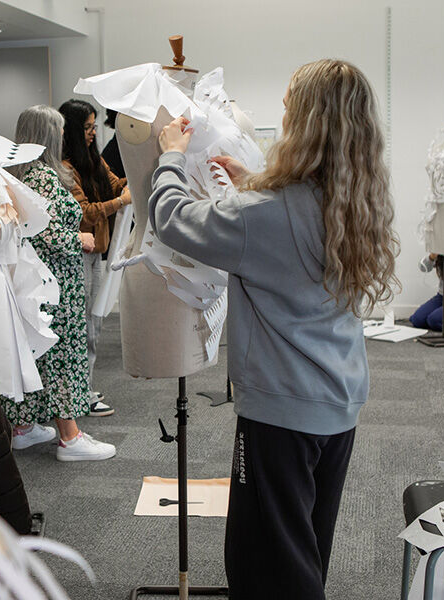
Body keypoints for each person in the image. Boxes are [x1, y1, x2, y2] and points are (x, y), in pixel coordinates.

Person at [149, 59, 398, 599]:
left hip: (281, 415)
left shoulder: (262, 214)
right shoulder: (354, 201)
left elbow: (171, 218)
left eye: (288, 111)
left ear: (304, 123)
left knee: (264, 568)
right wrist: (252, 185)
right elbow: (284, 228)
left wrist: (170, 156)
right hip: (338, 405)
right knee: (303, 550)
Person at [0, 105, 117, 462]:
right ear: (49, 135)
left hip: (34, 279)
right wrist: (79, 238)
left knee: (37, 351)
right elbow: (47, 233)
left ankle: (23, 427)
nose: (65, 137)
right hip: (56, 280)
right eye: (61, 131)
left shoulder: (18, 175)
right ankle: (70, 437)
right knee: (62, 353)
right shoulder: (44, 178)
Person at [59, 98, 131, 417]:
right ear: (74, 130)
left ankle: (83, 387)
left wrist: (141, 173)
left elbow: (115, 185)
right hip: (79, 255)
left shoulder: (92, 159)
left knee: (95, 321)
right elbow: (84, 213)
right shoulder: (66, 169)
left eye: (93, 126)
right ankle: (80, 393)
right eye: (87, 127)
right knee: (84, 324)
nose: (93, 132)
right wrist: (120, 202)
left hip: (95, 253)